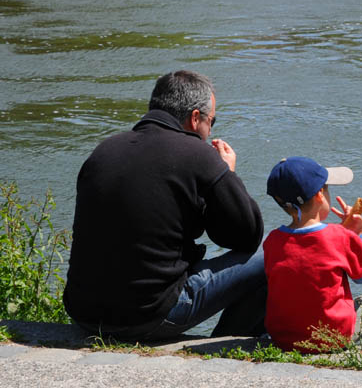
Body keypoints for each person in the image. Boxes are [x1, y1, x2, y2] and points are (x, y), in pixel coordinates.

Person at [63, 70, 266, 341]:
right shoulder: (199, 155)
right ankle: (226, 343)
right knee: (275, 254)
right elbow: (246, 236)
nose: (210, 130)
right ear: (195, 118)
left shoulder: (104, 151)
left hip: (84, 313)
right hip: (147, 316)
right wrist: (227, 175)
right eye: (212, 121)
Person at [262, 156, 362, 353]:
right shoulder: (339, 237)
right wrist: (361, 232)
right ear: (320, 195)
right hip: (332, 338)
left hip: (284, 339)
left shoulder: (273, 241)